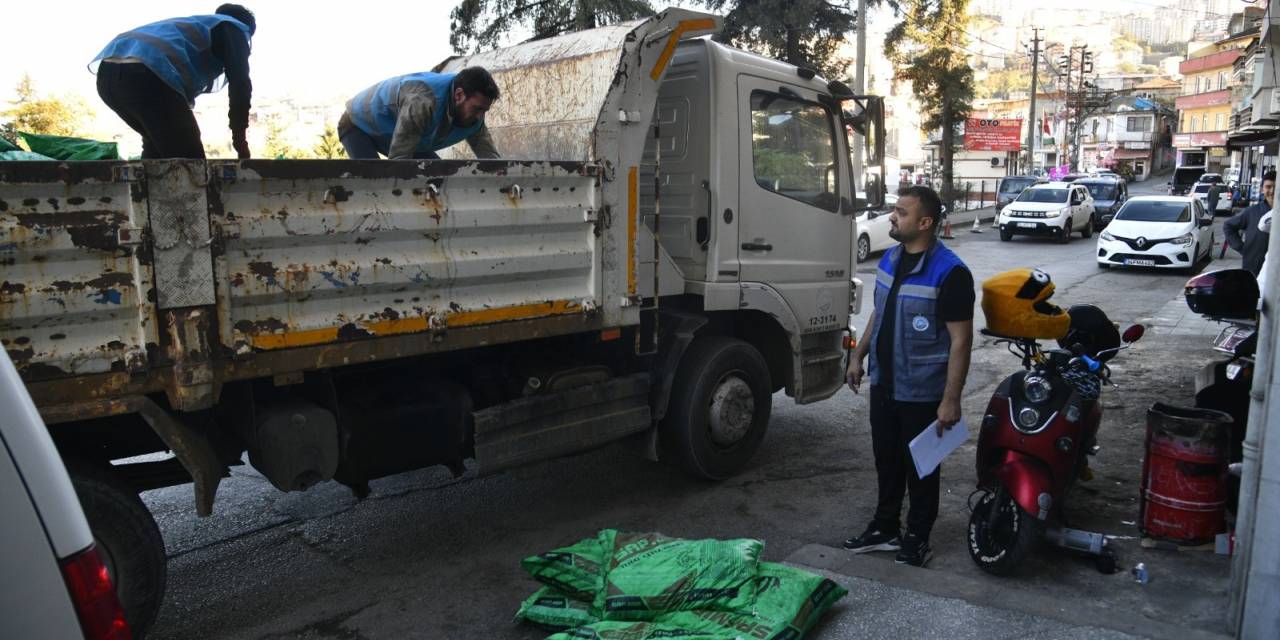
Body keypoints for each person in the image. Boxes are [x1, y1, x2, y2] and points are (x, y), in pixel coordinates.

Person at [843, 185, 975, 567]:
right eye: (894, 211)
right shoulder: (891, 258)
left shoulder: (950, 273)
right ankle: (885, 528)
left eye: (901, 212)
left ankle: (918, 536)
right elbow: (880, 314)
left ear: (925, 222)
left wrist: (951, 400)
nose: (892, 217)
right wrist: (858, 356)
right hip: (885, 383)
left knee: (921, 468)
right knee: (887, 460)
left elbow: (961, 341)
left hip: (922, 391)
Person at [91, 4, 255, 159]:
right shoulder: (233, 27)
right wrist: (239, 137)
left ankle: (144, 188)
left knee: (158, 148)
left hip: (108, 77)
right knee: (190, 162)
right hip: (145, 74)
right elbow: (240, 83)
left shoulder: (192, 25)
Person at [339, 67, 500, 160]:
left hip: (406, 133)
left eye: (484, 111)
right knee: (375, 184)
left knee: (441, 178)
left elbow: (491, 160)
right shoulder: (423, 102)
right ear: (459, 95)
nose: (479, 117)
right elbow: (400, 161)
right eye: (477, 109)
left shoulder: (475, 110)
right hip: (358, 124)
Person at [1224, 170, 1276, 276]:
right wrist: (1242, 248)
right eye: (1268, 187)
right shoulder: (1251, 212)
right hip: (1254, 269)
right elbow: (1228, 226)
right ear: (1262, 189)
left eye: (1277, 187)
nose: (1272, 191)